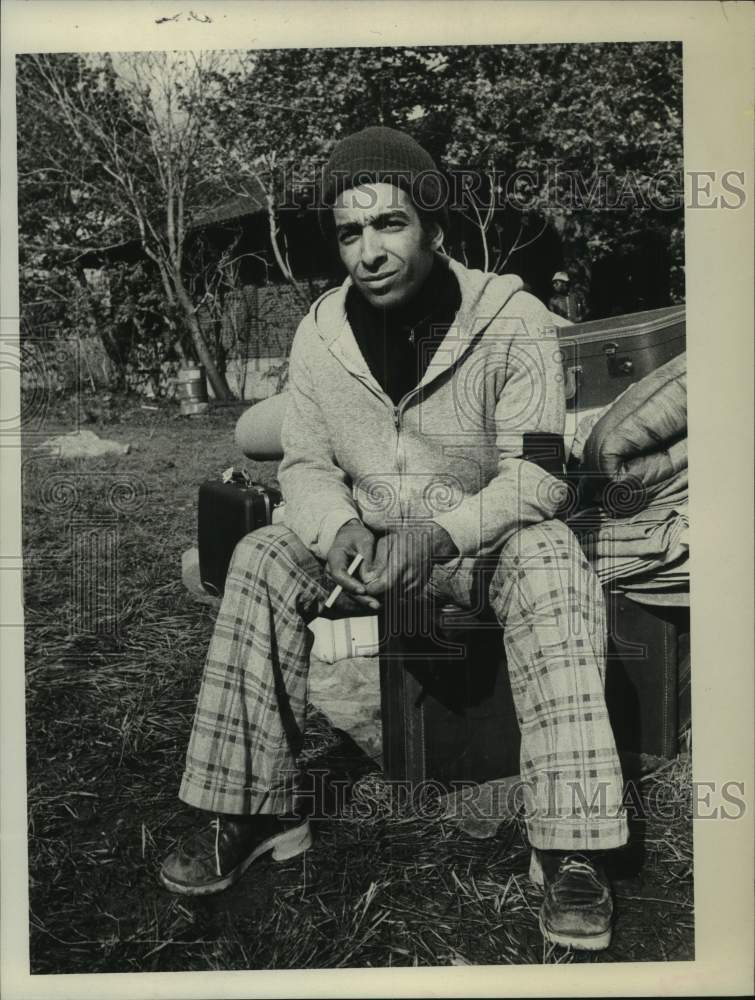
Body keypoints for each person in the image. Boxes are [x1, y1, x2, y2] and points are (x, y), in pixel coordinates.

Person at [160, 127, 628, 952]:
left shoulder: (512, 320)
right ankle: (248, 811)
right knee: (262, 555)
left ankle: (570, 846)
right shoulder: (317, 335)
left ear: (433, 230)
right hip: (369, 550)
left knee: (553, 555)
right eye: (350, 232)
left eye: (390, 225)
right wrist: (335, 525)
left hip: (480, 546)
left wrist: (439, 536)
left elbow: (540, 475)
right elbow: (302, 464)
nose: (369, 251)